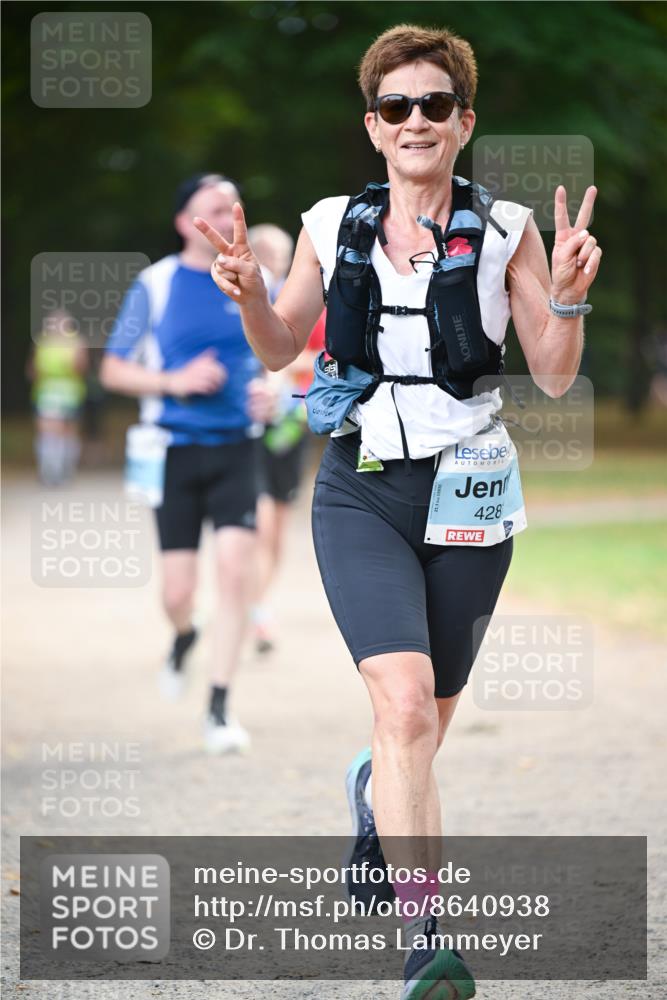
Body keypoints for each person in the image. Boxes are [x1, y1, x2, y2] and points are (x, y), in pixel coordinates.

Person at [194, 23, 601, 997]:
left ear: (464, 122)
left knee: (430, 717)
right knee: (405, 707)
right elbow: (275, 343)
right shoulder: (333, 223)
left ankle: (374, 794)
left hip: (470, 491)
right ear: (373, 127)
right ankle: (429, 939)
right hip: (361, 486)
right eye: (394, 107)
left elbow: (548, 378)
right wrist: (250, 293)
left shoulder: (506, 231)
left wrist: (573, 301)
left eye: (433, 105)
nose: (414, 121)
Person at [100, 173, 274, 755]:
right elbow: (113, 369)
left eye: (232, 208)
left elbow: (286, 356)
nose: (226, 219)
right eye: (212, 210)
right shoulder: (155, 283)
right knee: (177, 592)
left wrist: (273, 393)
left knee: (233, 573)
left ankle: (220, 707)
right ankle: (182, 635)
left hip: (237, 447)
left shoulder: (258, 280)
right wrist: (174, 381)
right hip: (171, 451)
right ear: (184, 223)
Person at [246, 224, 306, 653]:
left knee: (275, 527)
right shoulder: (237, 296)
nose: (276, 264)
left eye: (281, 256)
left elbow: (323, 355)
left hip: (289, 424)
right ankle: (255, 607)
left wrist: (285, 372)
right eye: (270, 255)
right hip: (249, 425)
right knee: (259, 523)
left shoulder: (300, 297)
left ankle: (258, 604)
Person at [27, 308, 88, 486]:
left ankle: (63, 470)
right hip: (48, 394)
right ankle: (50, 471)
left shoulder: (75, 342)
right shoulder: (42, 342)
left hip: (68, 394)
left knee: (66, 433)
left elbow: (80, 368)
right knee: (49, 431)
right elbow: (32, 369)